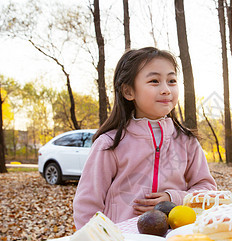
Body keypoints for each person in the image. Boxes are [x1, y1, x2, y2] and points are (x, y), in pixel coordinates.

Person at [73, 47, 216, 228]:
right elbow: (87, 204)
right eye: (154, 81)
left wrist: (174, 198)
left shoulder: (186, 142)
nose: (166, 89)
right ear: (128, 92)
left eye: (172, 81)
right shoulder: (109, 144)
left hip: (174, 240)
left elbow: (207, 188)